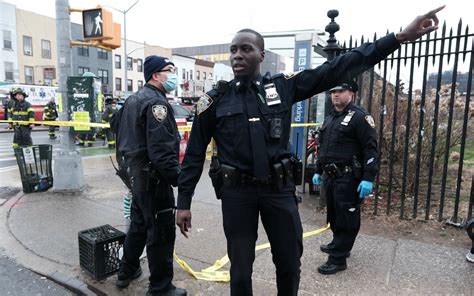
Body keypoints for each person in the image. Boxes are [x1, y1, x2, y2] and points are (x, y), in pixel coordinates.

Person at [176, 6, 444, 295]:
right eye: (233, 50)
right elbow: (193, 155)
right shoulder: (214, 100)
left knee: (290, 263)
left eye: (246, 48)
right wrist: (184, 201)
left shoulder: (281, 88)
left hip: (278, 191)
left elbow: (335, 69)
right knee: (240, 270)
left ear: (261, 55)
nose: (237, 55)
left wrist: (399, 37)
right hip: (237, 195)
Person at [113, 55, 186, 296]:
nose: (173, 75)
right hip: (154, 180)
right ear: (156, 75)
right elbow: (162, 151)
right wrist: (180, 180)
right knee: (161, 233)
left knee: (139, 226)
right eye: (170, 70)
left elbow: (117, 128)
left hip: (136, 177)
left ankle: (127, 271)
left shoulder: (133, 100)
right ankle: (161, 288)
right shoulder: (157, 104)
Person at [311, 80, 376, 274]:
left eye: (340, 91)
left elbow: (371, 149)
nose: (335, 95)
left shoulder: (359, 117)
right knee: (334, 214)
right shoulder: (331, 118)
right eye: (333, 92)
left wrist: (368, 177)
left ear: (352, 94)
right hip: (331, 176)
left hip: (348, 177)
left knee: (347, 217)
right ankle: (339, 244)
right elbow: (323, 147)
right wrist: (317, 170)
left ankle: (338, 259)